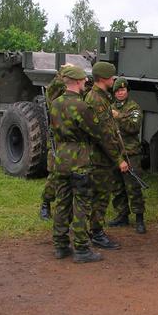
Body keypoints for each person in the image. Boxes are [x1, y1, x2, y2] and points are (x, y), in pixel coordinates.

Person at [49, 65, 110, 263]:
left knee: (62, 202)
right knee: (82, 204)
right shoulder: (82, 106)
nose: (86, 83)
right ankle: (82, 248)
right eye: (83, 80)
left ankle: (60, 245)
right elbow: (97, 131)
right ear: (76, 82)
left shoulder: (55, 103)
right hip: (80, 160)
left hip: (61, 159)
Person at [85, 62, 129, 249]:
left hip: (100, 156)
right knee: (101, 196)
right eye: (111, 77)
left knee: (98, 195)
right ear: (103, 79)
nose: (113, 80)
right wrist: (118, 159)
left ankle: (92, 230)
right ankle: (96, 233)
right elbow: (104, 135)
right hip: (100, 158)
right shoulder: (97, 100)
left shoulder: (101, 97)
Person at [107, 77, 146, 234]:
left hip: (131, 154)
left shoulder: (133, 107)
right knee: (117, 187)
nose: (120, 93)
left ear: (127, 91)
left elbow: (134, 127)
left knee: (133, 188)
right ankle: (122, 215)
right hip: (115, 153)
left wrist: (119, 116)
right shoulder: (110, 107)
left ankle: (139, 219)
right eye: (117, 90)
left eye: (122, 90)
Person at [39, 64, 75, 220]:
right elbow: (53, 89)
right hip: (58, 142)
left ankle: (69, 207)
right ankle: (46, 203)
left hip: (73, 142)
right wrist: (63, 73)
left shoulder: (75, 96)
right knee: (55, 176)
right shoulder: (54, 97)